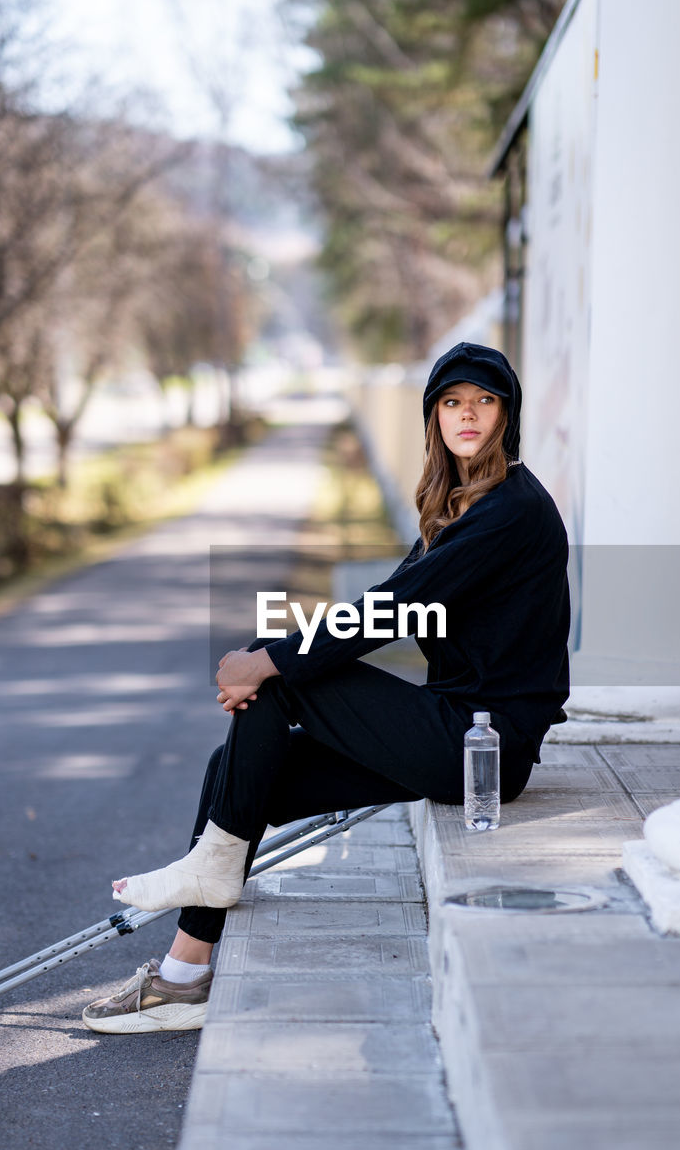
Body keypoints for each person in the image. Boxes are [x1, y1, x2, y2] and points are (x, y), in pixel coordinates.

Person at [81, 342, 570, 1034]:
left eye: (484, 401)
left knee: (279, 679)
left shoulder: (509, 511)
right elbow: (390, 596)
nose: (468, 415)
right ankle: (184, 975)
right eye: (452, 401)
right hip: (448, 726)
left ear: (504, 415)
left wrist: (267, 661)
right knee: (238, 771)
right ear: (433, 416)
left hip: (482, 747)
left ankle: (210, 876)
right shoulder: (462, 503)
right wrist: (274, 655)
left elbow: (391, 613)